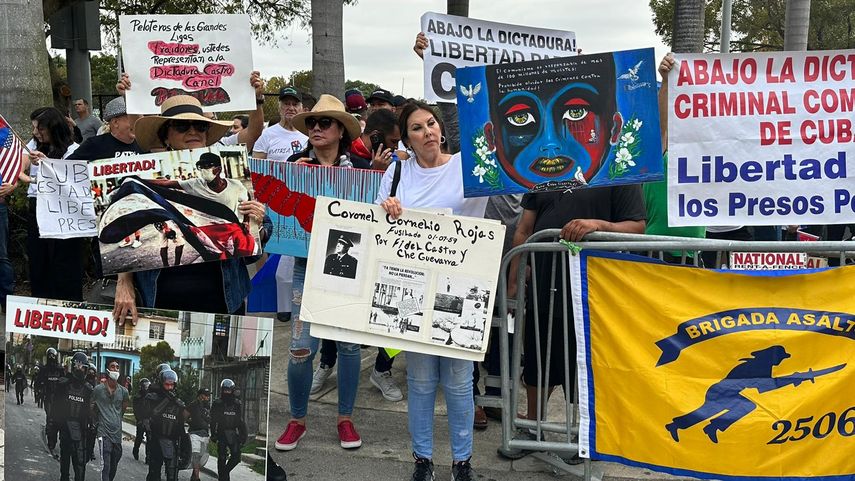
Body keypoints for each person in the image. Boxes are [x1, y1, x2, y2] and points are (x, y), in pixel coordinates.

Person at [506, 131, 646, 461]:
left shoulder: (618, 169)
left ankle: (583, 434)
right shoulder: (541, 168)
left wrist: (597, 225)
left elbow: (636, 226)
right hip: (543, 282)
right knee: (539, 354)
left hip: (593, 287)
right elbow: (525, 228)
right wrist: (515, 277)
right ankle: (532, 426)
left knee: (585, 360)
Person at [376, 101, 488, 481]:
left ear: (442, 127)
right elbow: (378, 229)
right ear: (405, 137)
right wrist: (387, 210)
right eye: (417, 128)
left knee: (459, 383)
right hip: (413, 290)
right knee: (421, 383)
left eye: (432, 123)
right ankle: (422, 459)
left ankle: (462, 462)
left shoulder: (469, 166)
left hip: (463, 287)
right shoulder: (395, 173)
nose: (428, 133)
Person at [111, 94, 269, 322]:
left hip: (223, 297)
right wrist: (124, 282)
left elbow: (255, 242)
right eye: (182, 126)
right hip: (161, 298)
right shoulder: (143, 175)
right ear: (166, 135)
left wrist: (258, 223)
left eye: (200, 126)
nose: (193, 131)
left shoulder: (235, 176)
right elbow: (123, 237)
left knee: (225, 357)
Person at [273, 94, 365, 452]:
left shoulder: (362, 169)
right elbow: (276, 213)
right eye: (311, 123)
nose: (315, 128)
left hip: (347, 269)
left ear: (341, 130)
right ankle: (297, 420)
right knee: (299, 350)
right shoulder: (294, 166)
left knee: (349, 347)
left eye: (323, 123)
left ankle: (345, 418)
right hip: (305, 267)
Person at [645, 54, 706, 264]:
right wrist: (666, 81)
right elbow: (663, 126)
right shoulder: (660, 151)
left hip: (693, 252)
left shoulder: (710, 158)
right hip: (654, 250)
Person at [25, 107, 82, 301]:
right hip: (37, 209)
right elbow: (20, 166)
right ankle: (42, 308)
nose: (35, 134)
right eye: (34, 128)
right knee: (39, 262)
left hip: (64, 215)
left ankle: (69, 308)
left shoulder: (74, 150)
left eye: (40, 129)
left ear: (53, 128)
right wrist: (30, 176)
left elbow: (73, 181)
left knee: (64, 264)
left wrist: (47, 162)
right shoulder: (34, 145)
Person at [54, 351, 93, 481]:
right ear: (73, 366)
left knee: (80, 463)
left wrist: (91, 428)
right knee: (65, 459)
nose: (80, 369)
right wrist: (54, 427)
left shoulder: (88, 389)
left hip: (81, 431)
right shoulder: (63, 384)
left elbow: (91, 412)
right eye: (77, 366)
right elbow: (56, 408)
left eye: (83, 367)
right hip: (65, 428)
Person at [68, 97, 143, 161]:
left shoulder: (145, 144)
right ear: (115, 122)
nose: (137, 123)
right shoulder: (95, 145)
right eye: (132, 119)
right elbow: (66, 168)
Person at [143, 369, 185, 481]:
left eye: (172, 384)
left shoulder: (177, 402)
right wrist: (167, 400)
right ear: (162, 384)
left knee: (172, 474)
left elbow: (181, 424)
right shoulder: (152, 397)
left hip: (171, 441)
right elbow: (152, 414)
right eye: (167, 384)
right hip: (156, 438)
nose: (170, 387)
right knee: (154, 473)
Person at [92, 360, 130, 481]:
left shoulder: (124, 392)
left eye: (117, 367)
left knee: (114, 463)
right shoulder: (98, 389)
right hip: (103, 432)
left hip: (117, 433)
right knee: (106, 464)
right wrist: (96, 420)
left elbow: (122, 410)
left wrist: (115, 419)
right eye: (112, 367)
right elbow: (91, 406)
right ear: (108, 370)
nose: (115, 369)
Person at [252, 87, 309, 160]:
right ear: (279, 107)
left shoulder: (308, 133)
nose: (291, 108)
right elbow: (256, 166)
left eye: (295, 104)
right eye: (286, 104)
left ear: (301, 108)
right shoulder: (267, 134)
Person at [211, 379, 247, 481]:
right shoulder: (217, 403)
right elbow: (213, 420)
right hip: (221, 433)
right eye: (225, 390)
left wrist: (242, 435)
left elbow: (240, 421)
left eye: (228, 390)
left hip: (233, 432)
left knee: (236, 457)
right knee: (222, 457)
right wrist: (213, 434)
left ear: (232, 390)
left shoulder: (237, 403)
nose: (226, 392)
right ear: (222, 390)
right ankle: (223, 478)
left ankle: (224, 473)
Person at [38, 346, 66, 458]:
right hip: (48, 398)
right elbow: (39, 381)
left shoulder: (60, 369)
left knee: (59, 419)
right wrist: (40, 390)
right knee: (50, 418)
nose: (51, 357)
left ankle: (56, 439)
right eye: (49, 355)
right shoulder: (44, 370)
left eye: (52, 355)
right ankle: (51, 442)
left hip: (58, 399)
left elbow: (65, 382)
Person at [185, 388, 212, 481]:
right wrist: (190, 421)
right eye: (206, 395)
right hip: (194, 433)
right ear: (200, 395)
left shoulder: (207, 406)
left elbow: (210, 419)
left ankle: (194, 475)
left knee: (201, 456)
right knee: (195, 454)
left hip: (205, 434)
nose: (208, 397)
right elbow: (184, 416)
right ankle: (197, 477)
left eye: (208, 395)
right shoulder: (193, 405)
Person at [133, 377, 152, 462]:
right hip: (141, 419)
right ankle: (135, 450)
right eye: (145, 385)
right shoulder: (137, 397)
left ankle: (148, 456)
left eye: (147, 385)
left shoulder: (151, 396)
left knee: (149, 438)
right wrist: (139, 419)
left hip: (149, 420)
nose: (146, 387)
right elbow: (136, 409)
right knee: (139, 437)